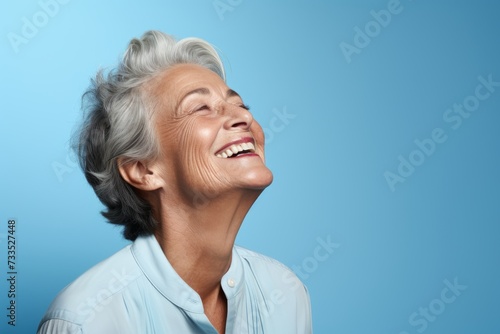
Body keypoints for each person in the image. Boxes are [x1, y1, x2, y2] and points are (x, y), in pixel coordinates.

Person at [37, 30, 312, 334]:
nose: (242, 118)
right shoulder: (86, 320)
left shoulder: (286, 294)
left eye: (241, 106)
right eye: (201, 108)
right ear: (143, 169)